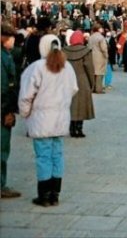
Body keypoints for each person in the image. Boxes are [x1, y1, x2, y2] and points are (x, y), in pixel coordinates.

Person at [18, 34, 78, 206]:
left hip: (41, 119)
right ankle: (55, 194)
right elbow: (74, 89)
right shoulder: (67, 68)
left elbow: (26, 95)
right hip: (60, 118)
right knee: (57, 155)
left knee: (43, 156)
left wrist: (25, 113)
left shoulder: (36, 68)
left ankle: (43, 195)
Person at [1, 24, 21, 198]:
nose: (13, 40)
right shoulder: (3, 58)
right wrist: (7, 110)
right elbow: (4, 88)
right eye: (10, 37)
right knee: (2, 148)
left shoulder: (6, 55)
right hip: (2, 109)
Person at [63, 30, 95, 138]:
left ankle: (71, 127)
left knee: (70, 104)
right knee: (81, 105)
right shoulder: (86, 51)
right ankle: (79, 129)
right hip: (82, 79)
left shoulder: (64, 51)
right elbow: (89, 68)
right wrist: (92, 82)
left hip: (68, 80)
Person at [88, 24, 108, 94]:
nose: (102, 29)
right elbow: (104, 48)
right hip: (100, 56)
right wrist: (106, 55)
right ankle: (98, 88)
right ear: (98, 29)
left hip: (92, 56)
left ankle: (92, 87)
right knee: (99, 73)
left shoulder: (91, 37)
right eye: (101, 28)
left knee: (93, 72)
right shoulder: (101, 37)